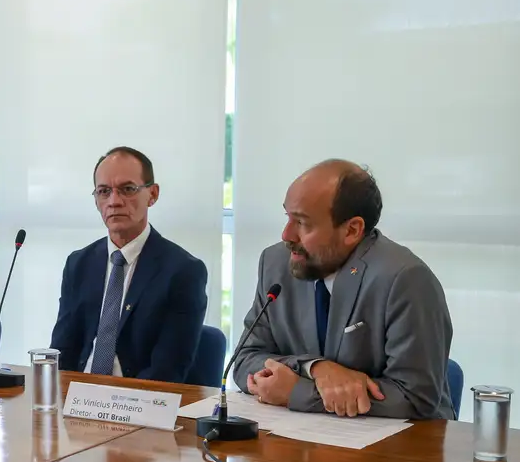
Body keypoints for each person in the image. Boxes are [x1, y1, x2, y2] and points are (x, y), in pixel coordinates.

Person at [232, 159, 454, 420]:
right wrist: (315, 368)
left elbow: (415, 399)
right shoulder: (275, 263)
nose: (286, 235)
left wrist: (297, 392)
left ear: (352, 230)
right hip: (303, 435)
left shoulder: (406, 279)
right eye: (287, 217)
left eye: (302, 222)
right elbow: (245, 359)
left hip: (405, 440)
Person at [51, 146, 208, 383]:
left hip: (139, 398)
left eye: (127, 189)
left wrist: (114, 399)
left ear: (152, 194)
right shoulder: (79, 264)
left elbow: (167, 370)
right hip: (78, 396)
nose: (114, 201)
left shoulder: (183, 271)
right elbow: (62, 352)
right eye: (104, 191)